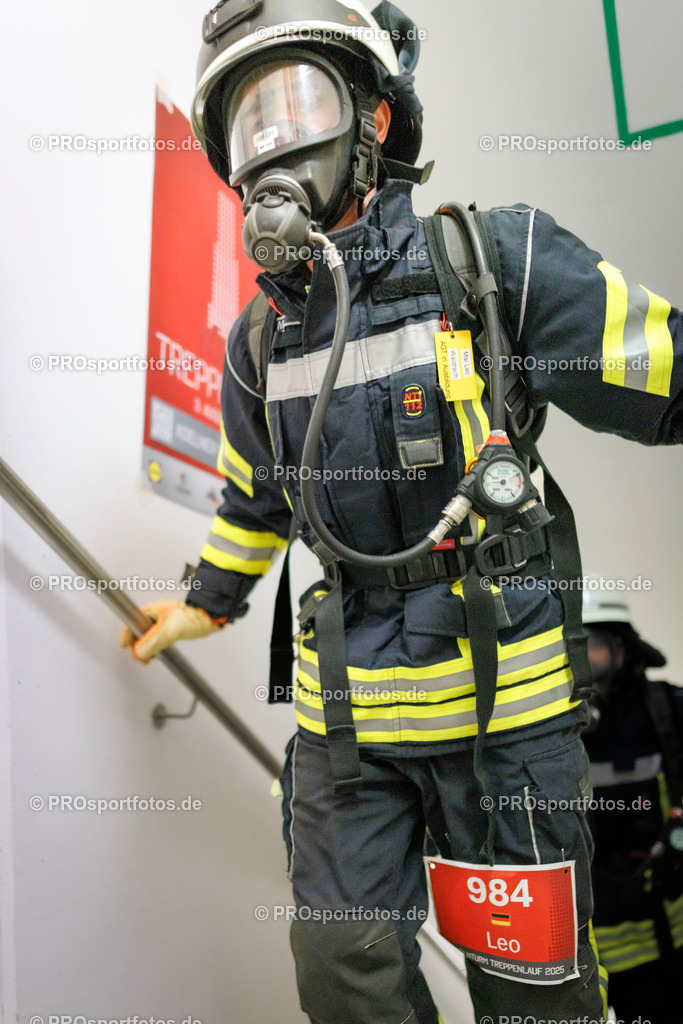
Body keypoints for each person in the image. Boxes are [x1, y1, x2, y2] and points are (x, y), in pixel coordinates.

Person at [120, 1, 683, 1019]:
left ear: (371, 119)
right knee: (346, 982)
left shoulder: (489, 262)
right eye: (247, 125)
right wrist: (203, 599)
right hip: (351, 725)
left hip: (504, 720)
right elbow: (257, 501)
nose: (269, 148)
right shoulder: (257, 345)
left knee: (534, 996)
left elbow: (663, 372)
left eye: (294, 106)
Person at [582, 584, 683, 1024]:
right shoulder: (546, 734)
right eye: (570, 650)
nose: (582, 666)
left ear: (624, 650)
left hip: (672, 931)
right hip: (595, 945)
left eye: (594, 649)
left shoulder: (667, 709)